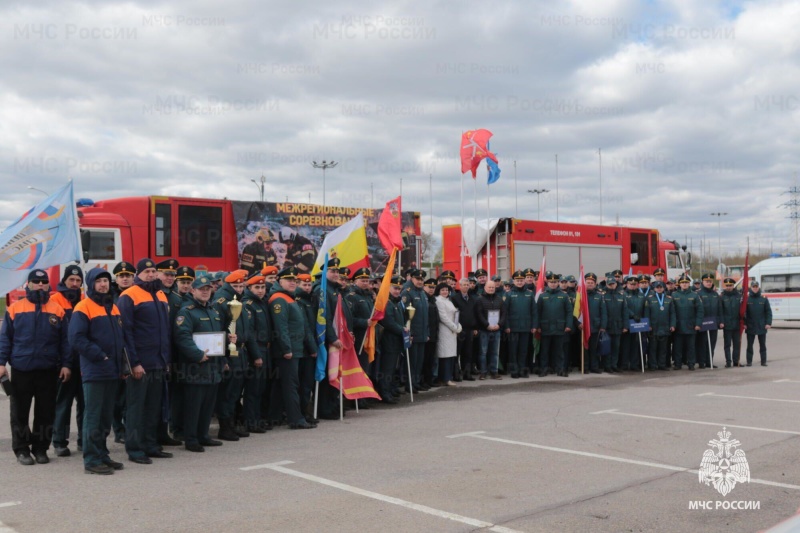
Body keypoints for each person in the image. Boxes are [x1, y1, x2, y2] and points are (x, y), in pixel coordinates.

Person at [0, 270, 71, 466]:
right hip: (22, 369)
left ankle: (41, 449)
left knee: (45, 413)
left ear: (49, 285)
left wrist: (66, 364)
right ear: (28, 284)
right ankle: (21, 449)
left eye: (44, 282)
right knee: (19, 413)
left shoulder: (57, 310)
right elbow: (5, 339)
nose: (40, 285)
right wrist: (1, 363)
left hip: (48, 369)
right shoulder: (15, 308)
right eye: (36, 281)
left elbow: (65, 342)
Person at [69, 267, 127, 474]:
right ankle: (92, 460)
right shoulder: (83, 307)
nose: (103, 284)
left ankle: (102, 454)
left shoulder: (113, 307)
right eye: (98, 281)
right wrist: (100, 355)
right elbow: (76, 338)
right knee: (93, 415)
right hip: (95, 370)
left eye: (105, 280)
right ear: (91, 284)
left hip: (112, 370)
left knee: (105, 415)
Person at [117, 258, 172, 464]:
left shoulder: (160, 295)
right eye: (146, 271)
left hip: (158, 362)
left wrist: (167, 359)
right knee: (136, 408)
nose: (150, 274)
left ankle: (150, 445)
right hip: (140, 363)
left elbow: (165, 332)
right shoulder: (128, 295)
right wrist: (133, 363)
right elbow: (126, 333)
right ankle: (135, 449)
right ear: (137, 275)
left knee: (153, 407)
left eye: (153, 271)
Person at [173, 275, 227, 452]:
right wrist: (197, 355)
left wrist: (223, 359)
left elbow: (218, 338)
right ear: (193, 290)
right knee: (193, 406)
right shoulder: (186, 312)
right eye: (201, 289)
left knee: (207, 405)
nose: (205, 292)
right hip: (195, 367)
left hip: (213, 367)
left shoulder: (213, 311)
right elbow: (182, 337)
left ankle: (204, 435)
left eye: (208, 289)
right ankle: (191, 439)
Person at [267, 267, 317, 429]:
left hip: (296, 349)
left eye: (294, 281)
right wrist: (287, 349)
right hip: (288, 351)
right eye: (289, 280)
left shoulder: (289, 297)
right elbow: (281, 328)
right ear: (279, 281)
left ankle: (275, 416)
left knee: (282, 384)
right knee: (291, 385)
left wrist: (310, 347)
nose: (292, 283)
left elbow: (301, 326)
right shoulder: (279, 299)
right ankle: (296, 419)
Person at [212, 269, 252, 441]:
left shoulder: (238, 300)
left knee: (235, 393)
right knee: (227, 394)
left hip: (240, 351)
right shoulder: (222, 302)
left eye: (241, 285)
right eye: (235, 285)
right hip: (229, 353)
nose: (239, 288)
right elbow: (218, 330)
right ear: (229, 285)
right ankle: (225, 428)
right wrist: (223, 357)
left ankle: (233, 425)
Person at [51, 265, 85, 457]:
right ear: (64, 281)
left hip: (84, 362)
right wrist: (62, 362)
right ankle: (59, 442)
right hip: (65, 362)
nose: (74, 283)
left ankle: (84, 439)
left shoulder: (85, 300)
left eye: (78, 280)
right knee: (63, 403)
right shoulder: (55, 300)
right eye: (71, 280)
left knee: (85, 404)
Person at [242, 274, 270, 433]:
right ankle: (250, 422)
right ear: (250, 288)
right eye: (257, 288)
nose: (260, 290)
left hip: (265, 349)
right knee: (253, 389)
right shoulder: (248, 304)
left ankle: (258, 419)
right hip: (256, 350)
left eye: (262, 287)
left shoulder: (262, 302)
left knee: (261, 388)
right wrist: (256, 355)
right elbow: (249, 333)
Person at [534, 271, 572, 377]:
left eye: (555, 282)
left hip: (560, 328)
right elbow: (538, 312)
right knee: (544, 351)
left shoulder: (564, 296)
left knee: (559, 351)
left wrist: (568, 325)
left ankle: (560, 369)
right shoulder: (542, 296)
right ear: (548, 283)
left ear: (558, 283)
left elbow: (569, 312)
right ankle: (544, 369)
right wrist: (538, 326)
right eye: (551, 282)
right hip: (545, 328)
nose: (553, 284)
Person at [377, 277, 406, 403]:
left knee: (393, 367)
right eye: (395, 288)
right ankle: (385, 393)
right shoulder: (387, 302)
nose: (397, 291)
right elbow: (388, 322)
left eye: (399, 288)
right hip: (389, 341)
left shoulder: (396, 302)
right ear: (388, 288)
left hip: (396, 341)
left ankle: (389, 390)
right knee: (387, 369)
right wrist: (402, 330)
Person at [503, 270, 536, 378]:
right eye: (517, 280)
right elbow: (505, 312)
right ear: (514, 281)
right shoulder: (508, 294)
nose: (520, 282)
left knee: (523, 351)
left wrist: (534, 326)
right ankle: (514, 371)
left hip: (526, 327)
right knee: (513, 351)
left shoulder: (530, 294)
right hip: (513, 328)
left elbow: (534, 312)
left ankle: (522, 370)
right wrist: (507, 326)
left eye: (521, 280)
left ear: (524, 281)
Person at [400, 269, 428, 391]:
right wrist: (408, 333)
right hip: (413, 333)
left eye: (422, 279)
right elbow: (406, 315)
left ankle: (416, 382)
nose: (420, 281)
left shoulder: (422, 293)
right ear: (411, 278)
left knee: (419, 361)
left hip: (422, 333)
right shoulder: (407, 292)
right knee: (411, 361)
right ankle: (409, 384)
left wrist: (427, 333)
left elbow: (426, 315)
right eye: (417, 279)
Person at [474, 279, 505, 380]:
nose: (491, 289)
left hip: (496, 330)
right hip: (484, 330)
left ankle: (494, 372)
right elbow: (479, 314)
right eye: (489, 287)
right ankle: (483, 372)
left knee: (495, 352)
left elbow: (504, 314)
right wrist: (487, 325)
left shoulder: (500, 299)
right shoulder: (479, 299)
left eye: (493, 287)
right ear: (485, 288)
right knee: (483, 352)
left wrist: (499, 325)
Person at [671, 274, 703, 370]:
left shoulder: (694, 295)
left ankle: (691, 363)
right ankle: (677, 363)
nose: (684, 284)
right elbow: (671, 311)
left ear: (689, 284)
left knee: (691, 347)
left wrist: (698, 324)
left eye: (686, 283)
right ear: (679, 284)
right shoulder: (674, 295)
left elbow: (700, 311)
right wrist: (673, 324)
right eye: (683, 283)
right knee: (677, 347)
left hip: (691, 325)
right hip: (678, 325)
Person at [643, 281, 676, 371]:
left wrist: (673, 325)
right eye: (657, 287)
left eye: (661, 287)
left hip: (665, 327)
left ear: (664, 288)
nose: (659, 289)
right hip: (653, 327)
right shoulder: (649, 299)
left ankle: (662, 364)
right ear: (654, 288)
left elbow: (672, 313)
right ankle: (652, 365)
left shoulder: (669, 299)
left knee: (663, 348)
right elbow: (646, 313)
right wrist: (648, 325)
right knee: (653, 347)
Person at [452, 278, 478, 381]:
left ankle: (467, 373)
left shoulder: (472, 299)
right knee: (457, 352)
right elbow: (454, 314)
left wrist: (475, 327)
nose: (466, 286)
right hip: (459, 329)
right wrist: (456, 328)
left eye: (468, 285)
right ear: (460, 286)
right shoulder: (455, 298)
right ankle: (456, 374)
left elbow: (475, 314)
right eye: (464, 285)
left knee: (468, 352)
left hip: (470, 329)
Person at [434, 283, 461, 385]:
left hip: (452, 331)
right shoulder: (439, 301)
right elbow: (443, 317)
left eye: (446, 290)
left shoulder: (448, 300)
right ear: (439, 291)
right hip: (444, 330)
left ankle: (449, 377)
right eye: (442, 290)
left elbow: (455, 315)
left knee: (451, 355)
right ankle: (444, 378)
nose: (445, 292)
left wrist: (458, 326)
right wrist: (454, 327)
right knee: (444, 355)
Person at [696, 273, 723, 369]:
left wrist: (720, 321)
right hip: (703, 322)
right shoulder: (699, 294)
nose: (708, 283)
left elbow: (720, 309)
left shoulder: (715, 294)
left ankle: (709, 361)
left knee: (712, 343)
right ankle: (701, 362)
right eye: (706, 281)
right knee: (702, 343)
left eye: (710, 281)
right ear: (702, 282)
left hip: (713, 322)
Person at [583, 273, 608, 374]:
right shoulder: (580, 295)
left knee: (594, 348)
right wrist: (577, 324)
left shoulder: (599, 296)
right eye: (588, 282)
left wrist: (603, 326)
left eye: (591, 283)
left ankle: (594, 366)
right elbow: (575, 312)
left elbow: (604, 312)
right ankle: (585, 366)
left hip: (595, 326)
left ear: (595, 284)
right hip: (583, 326)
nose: (589, 284)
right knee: (584, 348)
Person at [602, 276, 628, 372]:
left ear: (616, 284)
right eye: (610, 284)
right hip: (607, 326)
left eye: (613, 283)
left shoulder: (621, 295)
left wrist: (625, 326)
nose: (611, 285)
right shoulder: (603, 295)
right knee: (607, 347)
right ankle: (607, 366)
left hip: (618, 325)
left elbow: (625, 312)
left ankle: (614, 365)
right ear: (607, 284)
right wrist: (603, 326)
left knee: (616, 347)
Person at [745, 280, 772, 366]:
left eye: (756, 287)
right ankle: (749, 361)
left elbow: (768, 312)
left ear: (758, 287)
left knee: (762, 345)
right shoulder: (747, 299)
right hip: (750, 325)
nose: (755, 288)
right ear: (751, 288)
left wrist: (768, 323)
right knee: (749, 345)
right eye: (753, 287)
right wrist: (744, 324)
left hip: (761, 325)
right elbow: (744, 313)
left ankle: (763, 361)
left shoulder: (763, 299)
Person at [720, 277, 743, 367]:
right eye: (727, 285)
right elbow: (720, 311)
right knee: (727, 345)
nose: (729, 287)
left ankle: (736, 361)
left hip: (737, 324)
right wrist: (721, 322)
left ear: (734, 286)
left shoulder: (739, 296)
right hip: (727, 324)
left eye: (731, 285)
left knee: (737, 344)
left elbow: (742, 310)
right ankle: (728, 362)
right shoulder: (722, 297)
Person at [422, 277, 441, 388]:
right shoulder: (424, 298)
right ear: (425, 286)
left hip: (433, 333)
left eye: (433, 287)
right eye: (429, 287)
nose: (431, 289)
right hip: (427, 334)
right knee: (424, 359)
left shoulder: (432, 299)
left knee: (430, 358)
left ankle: (429, 379)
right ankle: (423, 380)